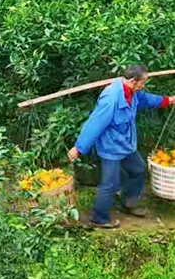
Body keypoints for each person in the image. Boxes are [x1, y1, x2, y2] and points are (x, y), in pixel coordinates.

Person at [68, 65, 173, 229]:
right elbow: (95, 123)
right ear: (132, 81)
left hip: (126, 144)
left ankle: (128, 202)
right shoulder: (111, 98)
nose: (143, 85)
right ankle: (99, 217)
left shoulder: (133, 93)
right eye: (143, 82)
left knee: (138, 168)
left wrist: (168, 100)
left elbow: (146, 99)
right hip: (111, 146)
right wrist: (79, 148)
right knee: (110, 183)